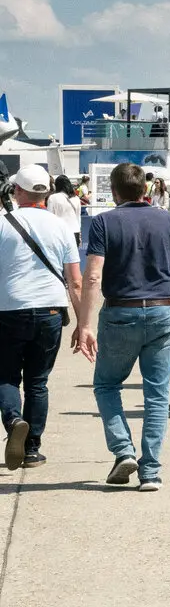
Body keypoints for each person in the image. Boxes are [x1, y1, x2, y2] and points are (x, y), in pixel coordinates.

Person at [73, 162, 170, 487]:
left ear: (114, 192)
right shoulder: (169, 220)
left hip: (120, 312)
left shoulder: (103, 222)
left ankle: (123, 450)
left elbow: (93, 275)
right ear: (146, 189)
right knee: (157, 393)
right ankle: (151, 471)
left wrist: (84, 324)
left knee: (107, 385)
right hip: (163, 310)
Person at [1, 165, 83, 470]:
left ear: (17, 191)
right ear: (45, 193)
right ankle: (33, 448)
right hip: (50, 309)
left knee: (6, 376)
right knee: (38, 382)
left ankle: (14, 420)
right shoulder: (60, 226)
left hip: (9, 309)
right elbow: (75, 280)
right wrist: (83, 322)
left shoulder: (2, 222)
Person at [46, 175, 81, 240]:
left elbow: (50, 217)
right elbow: (78, 217)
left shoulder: (53, 198)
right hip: (75, 231)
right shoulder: (76, 198)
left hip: (59, 232)